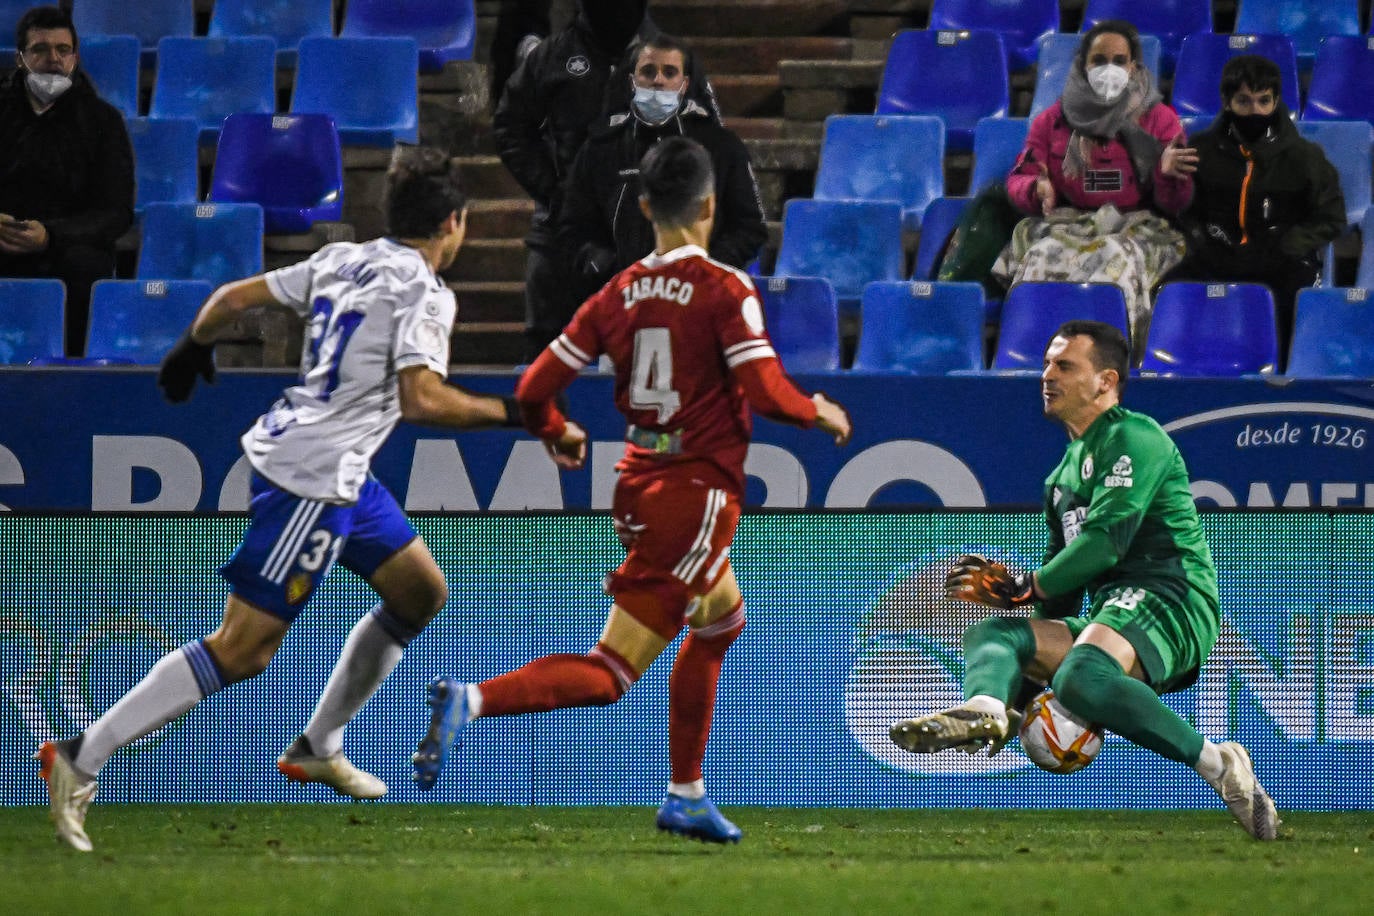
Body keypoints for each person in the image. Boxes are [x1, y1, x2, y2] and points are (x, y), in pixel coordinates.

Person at [34, 148, 527, 853]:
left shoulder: (341, 259)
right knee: (242, 651)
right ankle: (82, 754)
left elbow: (234, 298)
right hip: (313, 480)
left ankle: (319, 745)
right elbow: (422, 398)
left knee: (419, 591)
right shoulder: (424, 291)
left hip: (342, 471)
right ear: (454, 223)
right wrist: (514, 416)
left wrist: (190, 346)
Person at [410, 137, 853, 844]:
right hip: (696, 491)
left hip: (639, 478)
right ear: (710, 205)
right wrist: (817, 411)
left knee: (721, 622)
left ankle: (686, 793)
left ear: (645, 207)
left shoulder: (615, 293)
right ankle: (473, 700)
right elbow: (764, 391)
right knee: (612, 671)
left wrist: (554, 430)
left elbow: (532, 390)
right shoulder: (724, 287)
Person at [887, 320, 1278, 842]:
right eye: (1047, 363)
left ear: (1105, 380)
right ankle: (987, 710)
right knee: (993, 634)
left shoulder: (1135, 436)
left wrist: (1030, 585)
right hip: (1112, 609)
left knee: (1077, 677)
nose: (1047, 375)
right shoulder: (1060, 478)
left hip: (1174, 595)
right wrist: (1019, 672)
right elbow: (1060, 593)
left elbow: (1106, 542)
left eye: (1064, 365)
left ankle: (1218, 764)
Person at [992, 20, 1196, 356]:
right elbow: (1021, 176)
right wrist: (1036, 188)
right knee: (1041, 256)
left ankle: (1116, 359)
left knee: (1115, 258)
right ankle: (1035, 356)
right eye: (1099, 60)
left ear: (1134, 67)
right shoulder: (1052, 121)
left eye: (1119, 61)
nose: (1109, 70)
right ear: (1082, 64)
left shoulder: (1160, 121)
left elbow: (1176, 203)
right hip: (1068, 222)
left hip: (1137, 227)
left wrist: (1167, 175)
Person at [492, 0, 654, 361]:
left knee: (638, 363)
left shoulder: (669, 62)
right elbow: (510, 128)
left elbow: (699, 141)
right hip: (560, 238)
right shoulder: (551, 58)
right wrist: (554, 189)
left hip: (640, 240)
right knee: (548, 360)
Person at [558, 34, 766, 299]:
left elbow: (750, 227)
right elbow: (572, 229)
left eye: (670, 73)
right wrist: (608, 268)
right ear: (632, 81)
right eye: (648, 71)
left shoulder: (721, 146)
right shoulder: (600, 148)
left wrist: (703, 269)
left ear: (684, 84)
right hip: (621, 296)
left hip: (700, 295)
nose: (658, 81)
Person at [1170, 54, 1345, 365]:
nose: (1255, 111)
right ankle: (1180, 366)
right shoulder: (1201, 150)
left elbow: (1331, 218)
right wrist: (1203, 236)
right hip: (1217, 254)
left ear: (1276, 101)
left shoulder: (1305, 157)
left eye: (1264, 101)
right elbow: (1183, 210)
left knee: (1295, 292)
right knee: (1170, 287)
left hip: (1280, 258)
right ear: (1227, 102)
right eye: (1244, 101)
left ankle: (1283, 373)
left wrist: (1290, 243)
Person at [0, 4, 134, 357]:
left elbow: (116, 212)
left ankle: (70, 370)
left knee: (84, 265)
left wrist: (51, 235)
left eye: (63, 50)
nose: (53, 59)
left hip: (68, 247)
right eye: (40, 49)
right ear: (20, 59)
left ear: (75, 57)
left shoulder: (103, 121)